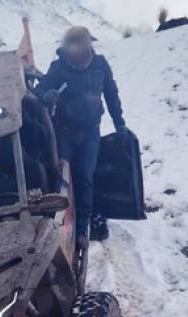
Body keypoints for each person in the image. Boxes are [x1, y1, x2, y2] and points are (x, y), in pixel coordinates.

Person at [35, 26, 129, 247]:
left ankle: (82, 230)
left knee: (85, 176)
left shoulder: (100, 64)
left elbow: (111, 94)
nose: (74, 50)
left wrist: (120, 123)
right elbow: (40, 90)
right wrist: (46, 95)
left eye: (79, 45)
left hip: (91, 133)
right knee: (63, 179)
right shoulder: (58, 68)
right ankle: (61, 229)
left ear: (87, 45)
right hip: (65, 132)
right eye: (71, 46)